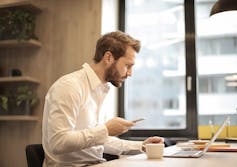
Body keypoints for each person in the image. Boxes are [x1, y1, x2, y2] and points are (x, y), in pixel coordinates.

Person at [42, 31, 164, 167]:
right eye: (127, 66)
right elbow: (58, 143)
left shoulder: (101, 89)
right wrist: (105, 129)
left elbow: (97, 140)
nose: (130, 73)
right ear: (108, 58)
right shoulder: (69, 86)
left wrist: (142, 146)